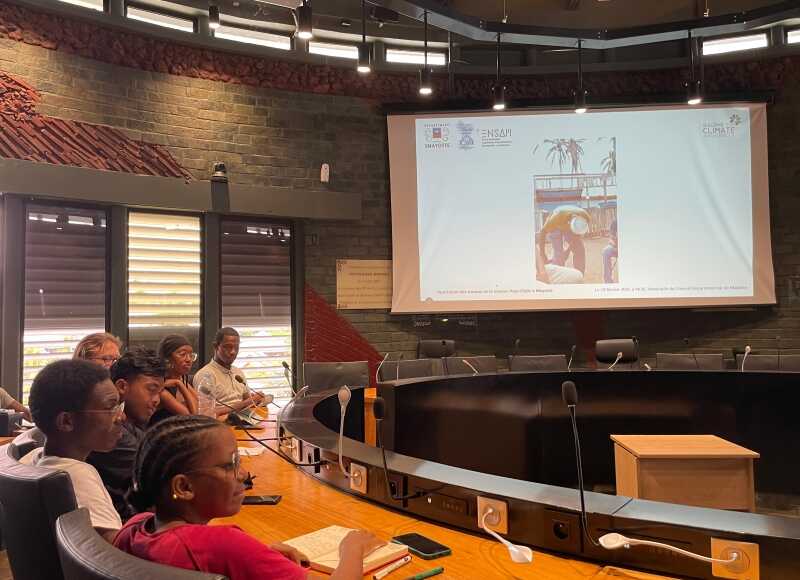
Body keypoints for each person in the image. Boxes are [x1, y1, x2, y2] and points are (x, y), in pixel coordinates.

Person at [116, 415, 382, 579]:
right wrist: (352, 549)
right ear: (184, 487)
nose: (243, 474)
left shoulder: (133, 528)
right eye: (231, 464)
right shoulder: (224, 544)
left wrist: (257, 557)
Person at [20, 359, 124, 542]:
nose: (121, 417)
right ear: (66, 421)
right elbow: (115, 551)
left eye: (119, 406)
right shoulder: (75, 475)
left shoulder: (35, 457)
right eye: (110, 408)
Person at [88, 347, 166, 521]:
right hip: (127, 527)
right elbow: (161, 470)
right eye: (151, 389)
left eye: (160, 393)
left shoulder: (132, 424)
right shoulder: (110, 433)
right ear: (122, 386)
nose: (157, 400)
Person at [193, 327, 263, 416]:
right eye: (228, 347)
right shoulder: (205, 375)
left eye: (236, 347)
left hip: (243, 418)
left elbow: (248, 400)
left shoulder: (238, 372)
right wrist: (247, 402)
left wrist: (258, 399)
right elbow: (205, 413)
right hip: (220, 421)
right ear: (216, 347)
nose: (233, 352)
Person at [150, 335, 199, 424]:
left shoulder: (181, 380)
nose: (189, 360)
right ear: (167, 359)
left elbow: (202, 406)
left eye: (191, 355)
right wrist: (179, 384)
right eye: (183, 354)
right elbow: (194, 417)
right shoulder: (162, 390)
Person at [602, 218, 618, 284]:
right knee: (606, 251)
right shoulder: (615, 222)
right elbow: (611, 238)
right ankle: (608, 281)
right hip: (617, 247)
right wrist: (614, 243)